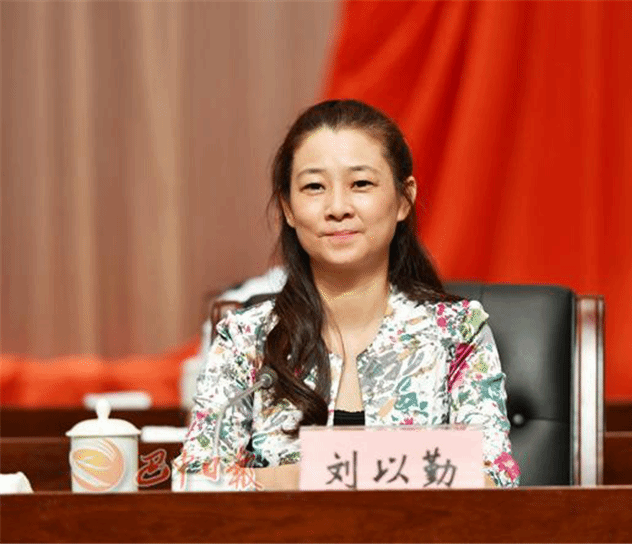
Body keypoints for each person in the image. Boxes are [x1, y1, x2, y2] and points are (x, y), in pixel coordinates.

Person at [172, 99, 520, 491]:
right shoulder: (245, 338)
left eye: (361, 184)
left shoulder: (457, 332)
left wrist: (339, 473)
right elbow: (193, 482)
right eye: (314, 187)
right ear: (288, 208)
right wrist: (303, 477)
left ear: (404, 199)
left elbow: (495, 480)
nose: (337, 207)